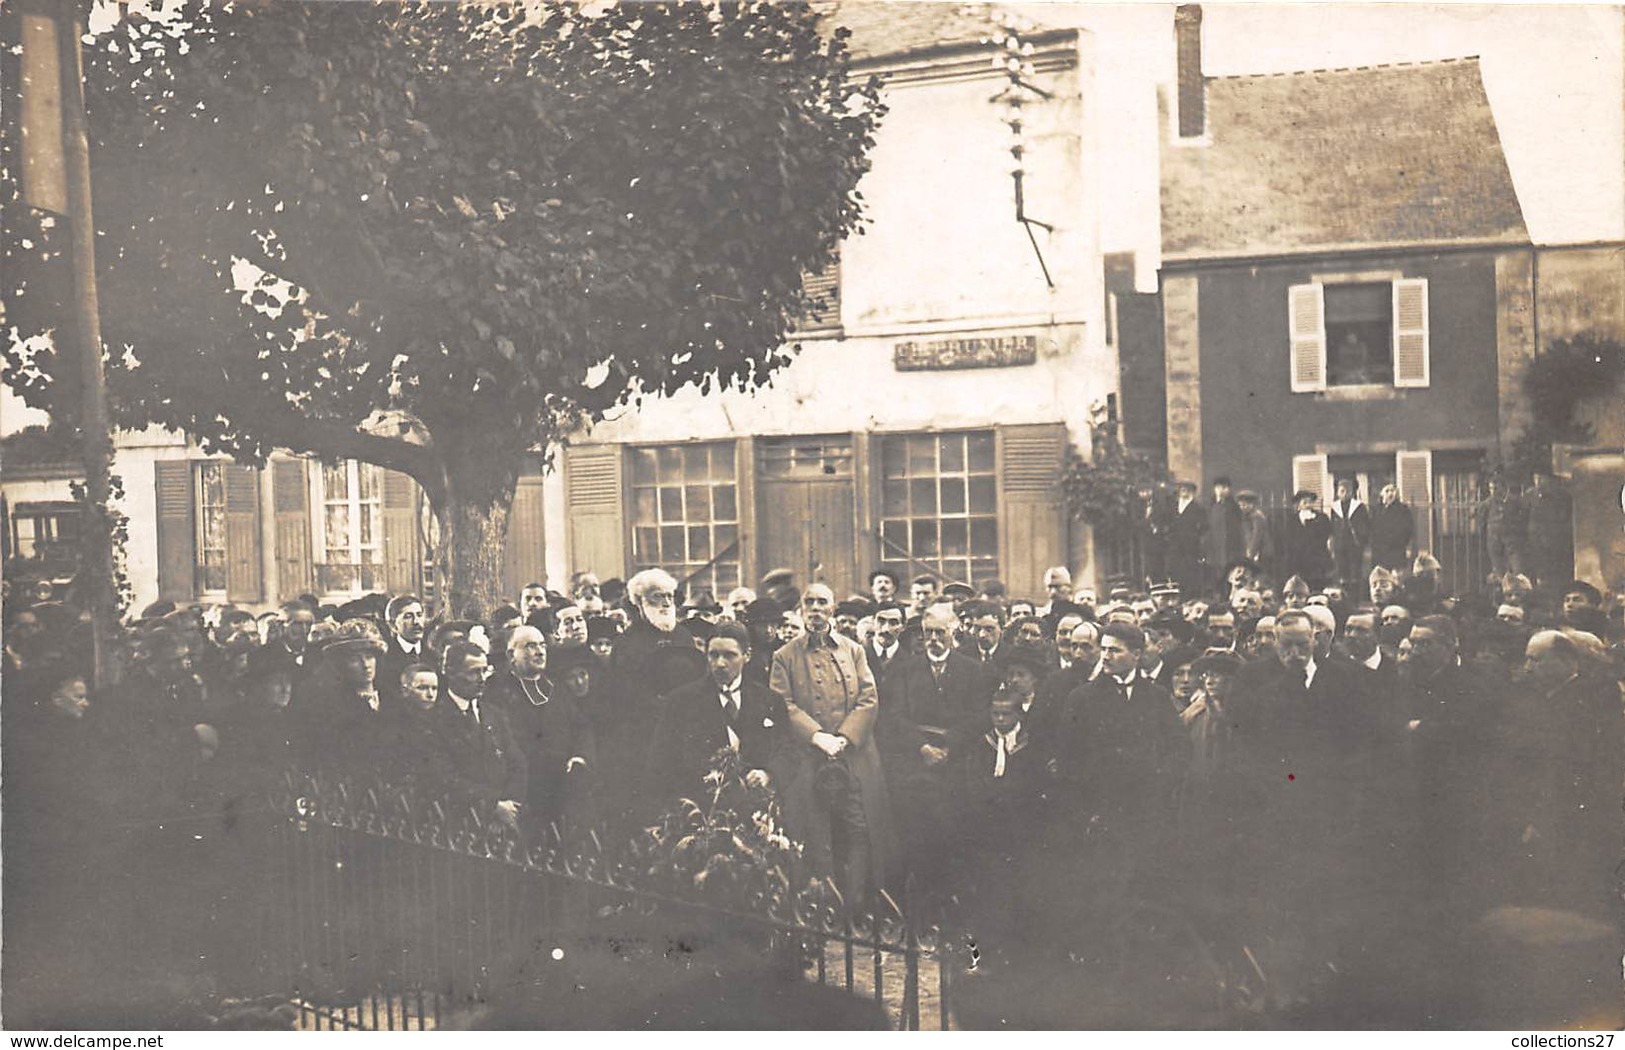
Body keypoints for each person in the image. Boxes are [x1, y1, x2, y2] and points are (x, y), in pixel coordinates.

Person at [769, 584, 895, 906]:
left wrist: (844, 737)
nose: (814, 608)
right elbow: (781, 704)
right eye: (808, 602)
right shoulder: (784, 657)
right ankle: (823, 906)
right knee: (815, 830)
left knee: (859, 827)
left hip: (854, 755)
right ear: (800, 609)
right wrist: (817, 736)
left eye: (821, 602)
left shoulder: (854, 650)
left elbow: (869, 698)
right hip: (808, 756)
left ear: (832, 608)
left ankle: (854, 906)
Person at [877, 604, 996, 888]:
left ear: (953, 633)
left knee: (953, 838)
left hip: (956, 767)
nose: (933, 639)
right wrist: (922, 748)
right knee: (916, 839)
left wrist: (950, 747)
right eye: (928, 632)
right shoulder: (904, 670)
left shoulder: (972, 670)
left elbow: (980, 716)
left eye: (940, 632)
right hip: (913, 765)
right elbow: (893, 716)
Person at [649, 621, 788, 808]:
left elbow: (788, 750)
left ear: (747, 655)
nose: (720, 664)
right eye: (713, 655)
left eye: (730, 655)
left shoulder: (769, 700)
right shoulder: (680, 701)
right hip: (701, 810)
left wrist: (768, 774)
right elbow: (662, 760)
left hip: (757, 810)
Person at [436, 640, 528, 831]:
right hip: (461, 822)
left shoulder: (495, 714)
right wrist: (493, 805)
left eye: (484, 671)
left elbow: (517, 763)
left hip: (506, 819)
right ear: (451, 673)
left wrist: (509, 806)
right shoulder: (436, 717)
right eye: (473, 672)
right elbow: (444, 778)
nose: (481, 678)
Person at [1281, 490, 1333, 589]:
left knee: (1318, 583)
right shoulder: (1292, 520)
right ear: (1299, 505)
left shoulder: (1321, 518)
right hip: (1299, 558)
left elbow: (1326, 534)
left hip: (1317, 557)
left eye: (1310, 502)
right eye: (1305, 502)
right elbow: (1288, 539)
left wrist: (1312, 524)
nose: (1308, 505)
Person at [1327, 477, 1372, 589]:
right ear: (1337, 492)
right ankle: (1343, 592)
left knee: (1355, 570)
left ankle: (1355, 594)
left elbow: (1365, 525)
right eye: (1342, 491)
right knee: (1341, 570)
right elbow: (1332, 527)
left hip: (1354, 543)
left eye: (1348, 491)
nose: (1345, 493)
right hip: (1340, 544)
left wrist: (1361, 539)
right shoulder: (1335, 508)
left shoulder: (1359, 507)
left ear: (1352, 492)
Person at [1166, 482, 1206, 597]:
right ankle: (1177, 595)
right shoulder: (1174, 506)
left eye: (1187, 490)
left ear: (1192, 492)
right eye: (1182, 490)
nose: (1184, 492)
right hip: (1175, 545)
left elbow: (1204, 527)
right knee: (1175, 570)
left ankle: (1189, 596)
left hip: (1191, 545)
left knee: (1189, 571)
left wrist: (1196, 539)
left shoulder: (1198, 508)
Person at [1205, 477, 1244, 592]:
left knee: (1229, 575)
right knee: (1214, 577)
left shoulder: (1233, 507)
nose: (1224, 490)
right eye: (1221, 487)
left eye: (1226, 488)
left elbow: (1238, 529)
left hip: (1229, 548)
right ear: (1215, 489)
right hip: (1214, 548)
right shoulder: (1210, 506)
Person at [1369, 483, 1414, 572]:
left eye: (1392, 491)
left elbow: (1408, 529)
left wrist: (1405, 545)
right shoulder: (1376, 510)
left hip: (1396, 550)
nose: (1390, 494)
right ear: (1381, 494)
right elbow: (1372, 529)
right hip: (1380, 552)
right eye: (1387, 491)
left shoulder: (1402, 509)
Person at [1236, 490, 1274, 580]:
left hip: (1261, 552)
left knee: (1260, 577)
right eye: (1240, 505)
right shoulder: (1248, 516)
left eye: (1244, 505)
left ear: (1251, 504)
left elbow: (1256, 537)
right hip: (1256, 552)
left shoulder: (1257, 517)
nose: (1242, 507)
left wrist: (1251, 554)